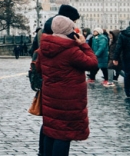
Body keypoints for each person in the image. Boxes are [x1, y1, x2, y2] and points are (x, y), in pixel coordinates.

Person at [35, 15, 98, 156]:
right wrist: (83, 44)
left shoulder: (43, 48)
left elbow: (39, 69)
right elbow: (92, 64)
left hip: (50, 97)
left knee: (51, 131)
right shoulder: (71, 51)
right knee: (63, 135)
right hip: (69, 100)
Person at [111, 18, 130, 98]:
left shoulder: (123, 34)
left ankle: (127, 92)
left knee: (127, 74)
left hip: (126, 56)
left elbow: (118, 47)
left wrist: (115, 58)